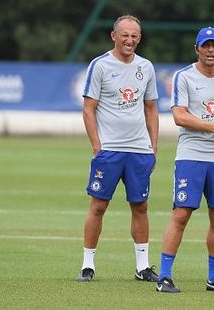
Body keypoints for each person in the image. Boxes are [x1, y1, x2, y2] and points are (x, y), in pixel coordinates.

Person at [155, 27, 214, 293]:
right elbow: (179, 117)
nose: (210, 50)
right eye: (205, 45)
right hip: (191, 154)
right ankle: (164, 276)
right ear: (196, 49)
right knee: (182, 213)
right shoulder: (184, 77)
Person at [76, 15, 159, 282]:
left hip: (138, 150)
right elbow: (89, 109)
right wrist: (97, 146)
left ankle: (142, 266)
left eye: (134, 36)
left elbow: (151, 108)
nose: (129, 40)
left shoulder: (146, 67)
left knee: (141, 206)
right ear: (114, 36)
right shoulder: (100, 66)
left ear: (139, 38)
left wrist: (153, 147)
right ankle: (87, 265)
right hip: (109, 150)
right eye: (125, 35)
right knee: (98, 206)